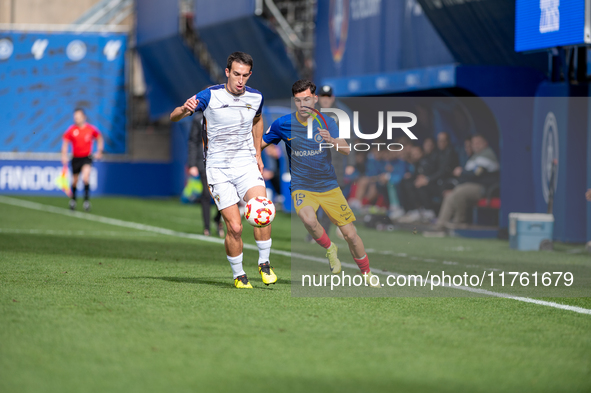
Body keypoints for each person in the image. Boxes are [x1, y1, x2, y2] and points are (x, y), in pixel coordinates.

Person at [170, 51, 276, 289]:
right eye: (236, 74)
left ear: (250, 75)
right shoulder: (210, 95)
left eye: (245, 75)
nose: (240, 80)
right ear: (227, 72)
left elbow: (257, 121)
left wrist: (258, 153)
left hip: (246, 164)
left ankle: (264, 262)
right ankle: (239, 275)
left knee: (263, 209)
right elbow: (173, 116)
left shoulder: (256, 97)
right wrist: (184, 109)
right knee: (235, 227)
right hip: (218, 169)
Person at [262, 79, 379, 287]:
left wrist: (332, 141)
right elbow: (262, 143)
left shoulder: (327, 122)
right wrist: (256, 157)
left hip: (328, 186)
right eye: (298, 101)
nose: (303, 104)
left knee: (350, 234)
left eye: (307, 99)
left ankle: (367, 272)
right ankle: (329, 248)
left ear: (315, 99)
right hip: (302, 186)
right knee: (308, 219)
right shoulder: (283, 124)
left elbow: (346, 149)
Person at [432, 134, 500, 231]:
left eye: (478, 143)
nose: (476, 145)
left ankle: (459, 222)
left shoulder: (487, 154)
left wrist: (462, 172)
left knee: (460, 192)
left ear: (485, 143)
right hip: (471, 186)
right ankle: (440, 226)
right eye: (474, 143)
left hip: (484, 188)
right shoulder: (475, 156)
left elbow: (477, 174)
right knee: (450, 196)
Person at [187, 109, 224, 237]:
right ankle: (207, 227)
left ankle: (218, 219)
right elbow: (193, 140)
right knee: (205, 194)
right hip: (203, 162)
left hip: (221, 162)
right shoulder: (198, 119)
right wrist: (192, 164)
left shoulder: (223, 116)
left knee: (223, 194)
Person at [61, 108, 103, 212]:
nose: (76, 119)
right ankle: (73, 200)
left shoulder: (90, 129)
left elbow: (99, 138)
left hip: (86, 157)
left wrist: (99, 151)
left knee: (85, 177)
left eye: (78, 117)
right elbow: (65, 143)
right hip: (76, 158)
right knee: (75, 181)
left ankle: (86, 201)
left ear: (84, 117)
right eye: (75, 117)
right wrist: (64, 155)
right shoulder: (71, 130)